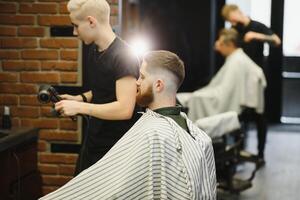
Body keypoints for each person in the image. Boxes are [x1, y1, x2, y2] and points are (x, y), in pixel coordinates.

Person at [40, 50, 217, 200]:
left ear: (158, 84)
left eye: (142, 76)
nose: (137, 82)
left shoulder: (155, 135)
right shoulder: (198, 135)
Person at [55, 0, 140, 175]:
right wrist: (80, 98)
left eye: (76, 26)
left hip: (115, 147)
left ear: (91, 22)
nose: (74, 32)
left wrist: (80, 107)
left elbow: (125, 108)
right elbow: (105, 89)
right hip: (94, 138)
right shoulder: (95, 51)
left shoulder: (124, 55)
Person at [177, 28, 267, 164]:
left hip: (235, 105)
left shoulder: (237, 61)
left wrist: (199, 96)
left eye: (220, 43)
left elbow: (224, 93)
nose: (217, 46)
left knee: (193, 98)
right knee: (189, 97)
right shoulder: (236, 58)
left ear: (229, 44)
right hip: (231, 97)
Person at [221, 4, 281, 68]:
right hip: (239, 67)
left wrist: (256, 36)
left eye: (233, 20)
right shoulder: (234, 29)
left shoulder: (258, 26)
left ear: (238, 12)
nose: (233, 23)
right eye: (230, 21)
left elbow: (277, 41)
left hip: (256, 67)